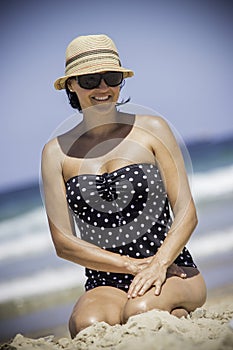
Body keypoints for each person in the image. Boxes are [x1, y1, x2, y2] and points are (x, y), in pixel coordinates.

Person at [41, 34, 207, 338]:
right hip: (104, 280)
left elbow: (186, 212)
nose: (103, 88)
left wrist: (157, 265)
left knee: (140, 313)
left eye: (111, 77)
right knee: (88, 327)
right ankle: (175, 315)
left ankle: (173, 305)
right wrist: (129, 266)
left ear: (121, 80)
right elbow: (64, 242)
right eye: (90, 80)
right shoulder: (56, 153)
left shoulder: (153, 129)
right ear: (71, 86)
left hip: (173, 269)